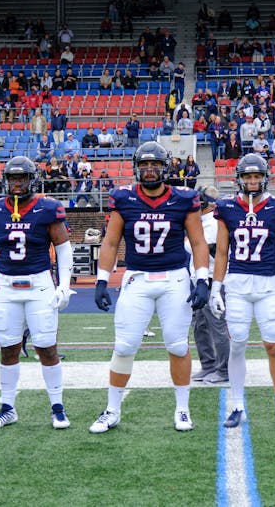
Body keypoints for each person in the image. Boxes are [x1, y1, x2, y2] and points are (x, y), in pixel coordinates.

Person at [91, 143, 210, 433]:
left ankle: (182, 409)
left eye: (154, 164)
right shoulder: (124, 197)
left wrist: (203, 278)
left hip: (174, 279)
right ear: (136, 168)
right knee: (124, 346)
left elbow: (197, 242)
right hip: (137, 277)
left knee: (177, 345)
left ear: (165, 166)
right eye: (144, 165)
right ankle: (112, 409)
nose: (149, 170)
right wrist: (102, 279)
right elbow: (110, 241)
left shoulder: (184, 198)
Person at [0, 157, 75, 430]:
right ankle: (8, 408)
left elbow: (64, 248)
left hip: (39, 284)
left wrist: (64, 284)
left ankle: (57, 407)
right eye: (12, 179)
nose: (16, 184)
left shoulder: (47, 208)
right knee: (8, 349)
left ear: (33, 180)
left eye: (21, 178)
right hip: (7, 285)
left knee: (47, 348)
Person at [209, 153, 275, 429]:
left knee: (273, 345)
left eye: (256, 176)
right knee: (237, 345)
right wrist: (215, 289)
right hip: (236, 285)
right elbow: (221, 252)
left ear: (264, 177)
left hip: (267, 285)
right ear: (239, 179)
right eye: (247, 176)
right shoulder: (226, 207)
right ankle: (237, 405)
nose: (252, 181)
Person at [188, 186, 229, 384]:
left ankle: (224, 369)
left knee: (217, 326)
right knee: (199, 325)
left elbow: (211, 251)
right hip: (198, 280)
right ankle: (208, 364)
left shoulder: (213, 224)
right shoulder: (200, 222)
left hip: (212, 280)